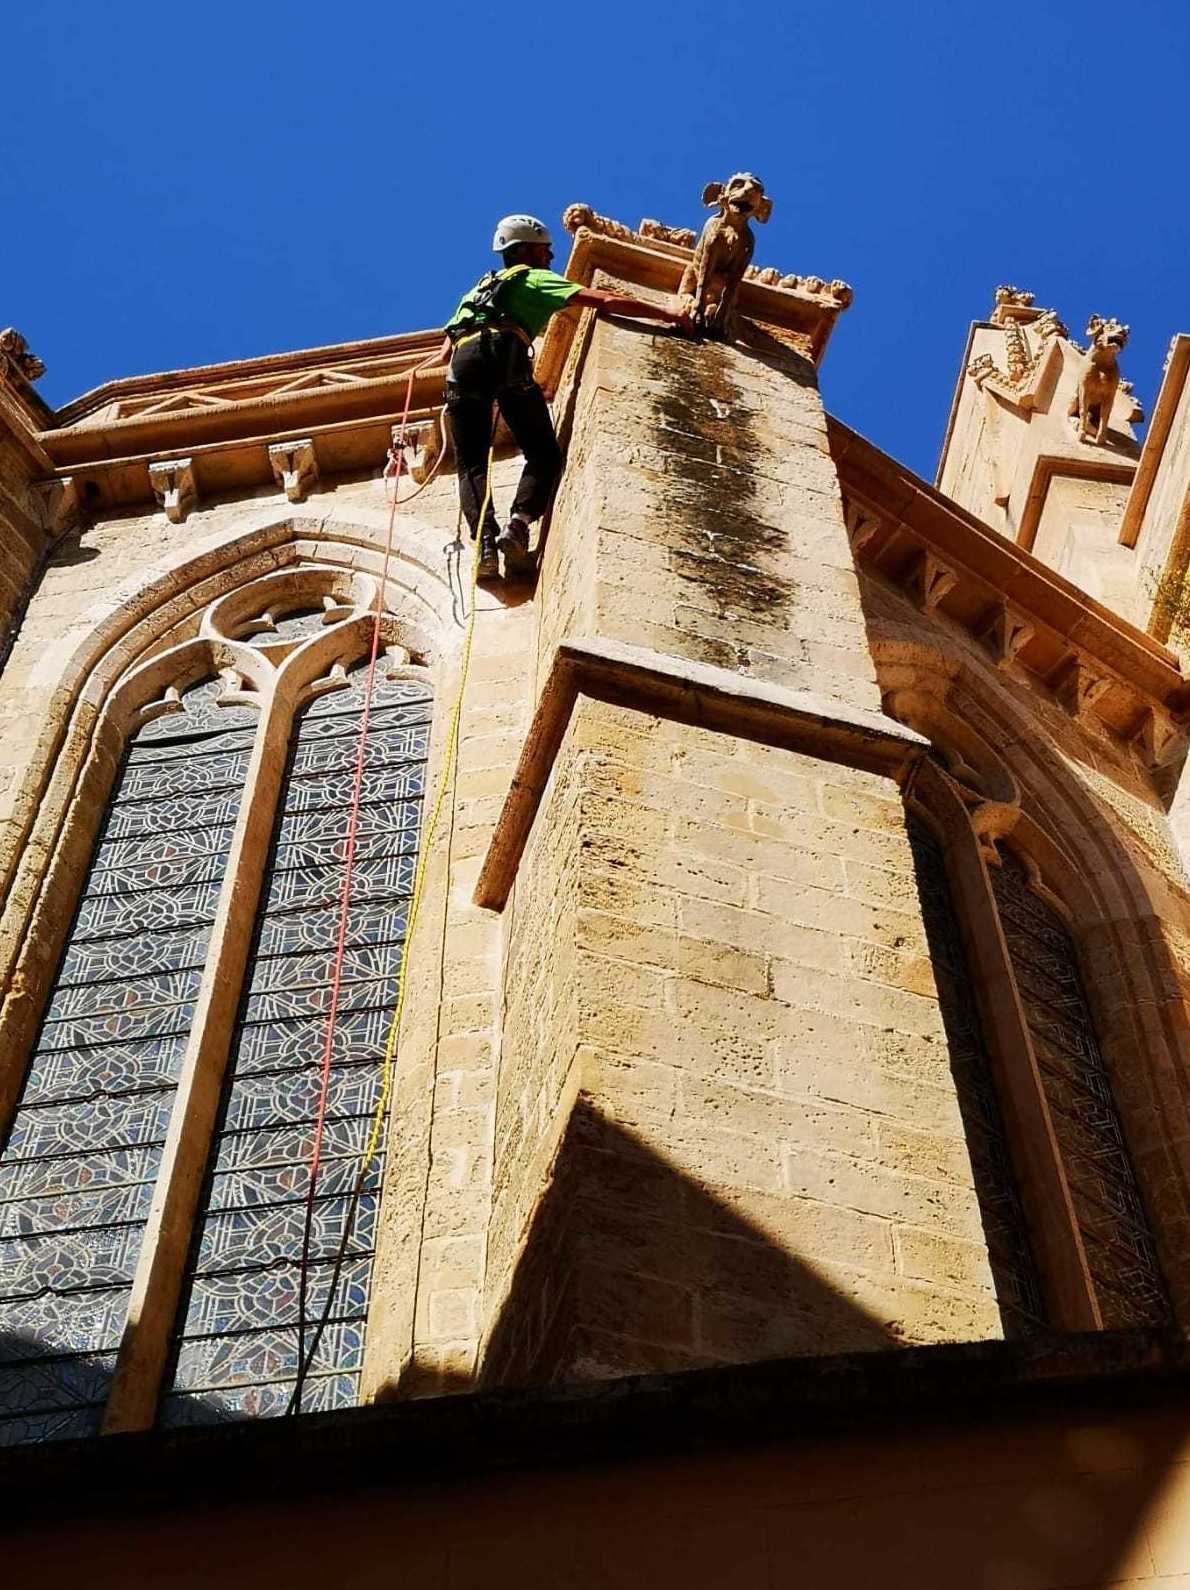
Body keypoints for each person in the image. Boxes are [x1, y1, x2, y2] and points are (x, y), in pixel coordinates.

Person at [397, 214, 688, 582]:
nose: (551, 258)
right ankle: (518, 525)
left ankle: (484, 545)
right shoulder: (533, 278)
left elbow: (443, 352)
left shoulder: (476, 292)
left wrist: (410, 373)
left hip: (463, 369)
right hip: (505, 357)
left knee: (471, 465)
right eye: (547, 251)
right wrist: (667, 314)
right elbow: (605, 299)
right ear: (530, 250)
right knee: (543, 452)